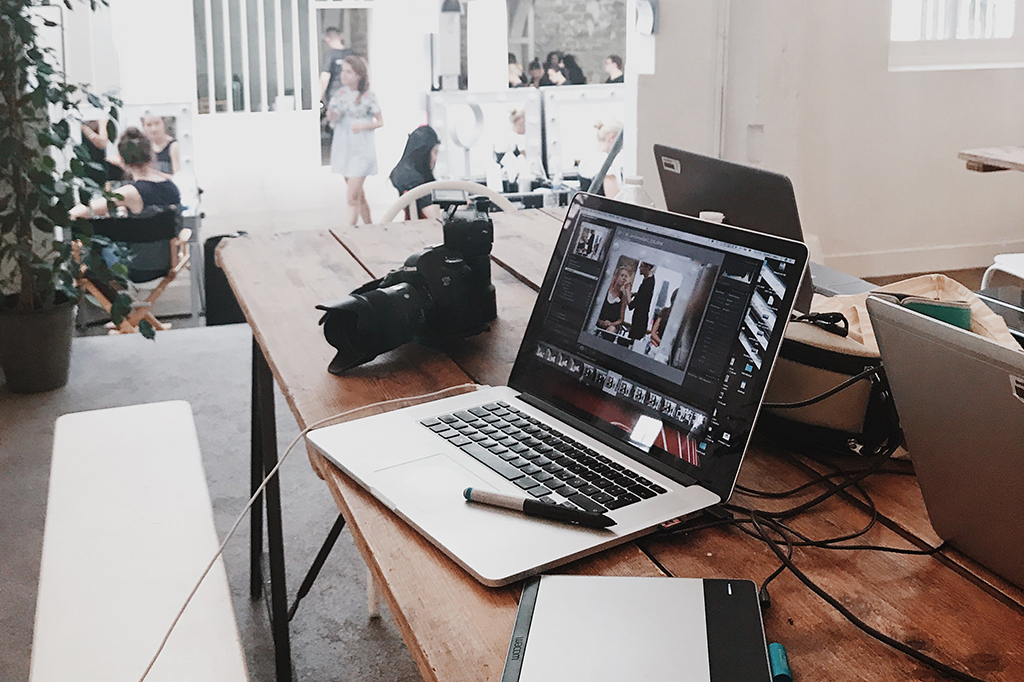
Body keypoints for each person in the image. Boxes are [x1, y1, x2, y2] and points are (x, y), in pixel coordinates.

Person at [70, 127, 182, 282]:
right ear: (151, 155)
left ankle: (103, 295)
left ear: (122, 160)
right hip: (166, 262)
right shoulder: (171, 186)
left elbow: (81, 212)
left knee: (94, 248)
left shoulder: (130, 192)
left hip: (136, 268)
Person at [327, 55, 383, 226]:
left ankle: (347, 230)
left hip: (361, 149)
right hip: (344, 147)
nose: (343, 75)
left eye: (348, 72)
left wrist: (363, 125)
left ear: (358, 75)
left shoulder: (368, 96)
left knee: (352, 197)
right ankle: (370, 226)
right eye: (342, 71)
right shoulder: (340, 94)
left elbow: (380, 121)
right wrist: (331, 114)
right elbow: (332, 118)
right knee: (358, 194)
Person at [389, 125, 442, 221]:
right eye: (435, 152)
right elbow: (435, 216)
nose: (435, 158)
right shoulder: (413, 181)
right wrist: (463, 205)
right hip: (427, 228)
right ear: (424, 153)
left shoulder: (403, 174)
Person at [577, 119, 623, 196]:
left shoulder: (587, 158)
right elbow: (614, 198)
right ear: (612, 138)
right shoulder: (606, 163)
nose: (621, 148)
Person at [319, 27, 352, 105]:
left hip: (335, 93)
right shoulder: (351, 54)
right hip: (351, 93)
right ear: (340, 37)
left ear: (327, 39)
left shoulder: (330, 55)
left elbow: (325, 77)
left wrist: (319, 97)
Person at [596, 265, 633, 333]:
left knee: (612, 330)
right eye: (622, 275)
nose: (624, 278)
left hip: (610, 326)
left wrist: (611, 324)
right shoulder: (606, 290)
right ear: (616, 276)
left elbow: (621, 319)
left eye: (626, 277)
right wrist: (599, 321)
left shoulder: (622, 297)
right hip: (597, 322)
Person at [628, 262, 656, 341]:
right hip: (642, 318)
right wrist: (636, 294)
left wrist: (627, 293)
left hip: (639, 320)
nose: (639, 268)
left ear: (648, 267)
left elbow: (631, 306)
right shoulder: (650, 280)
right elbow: (644, 296)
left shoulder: (647, 284)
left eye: (642, 266)